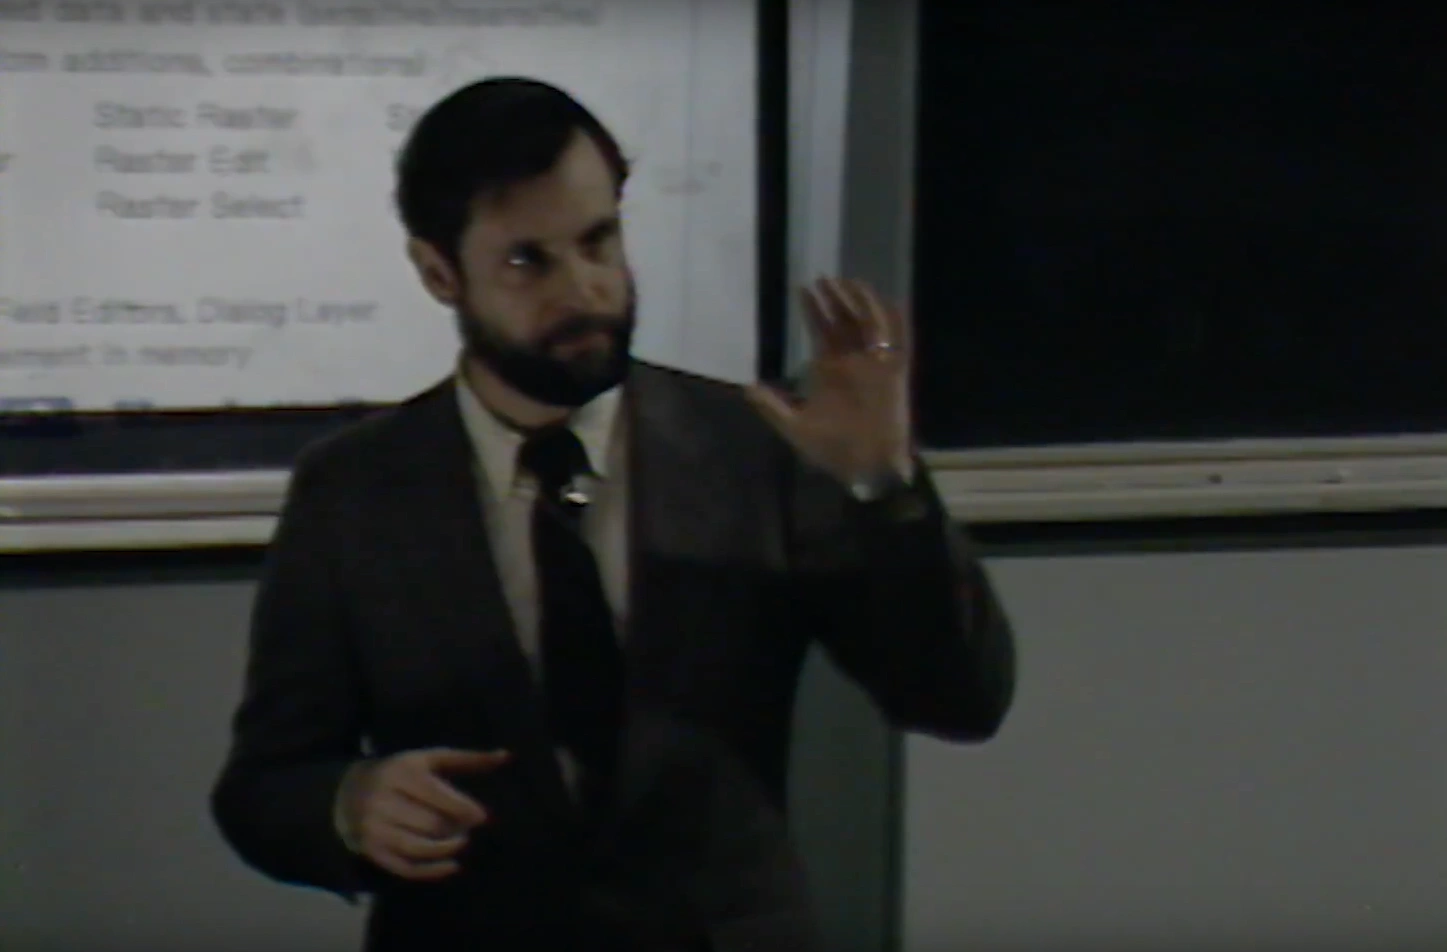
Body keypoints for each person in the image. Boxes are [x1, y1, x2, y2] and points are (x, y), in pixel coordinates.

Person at [209, 76, 1015, 952]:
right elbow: (263, 786)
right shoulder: (356, 490)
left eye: (600, 241)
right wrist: (349, 804)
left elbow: (957, 698)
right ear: (439, 272)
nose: (586, 290)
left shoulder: (750, 448)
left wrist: (882, 486)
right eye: (529, 261)